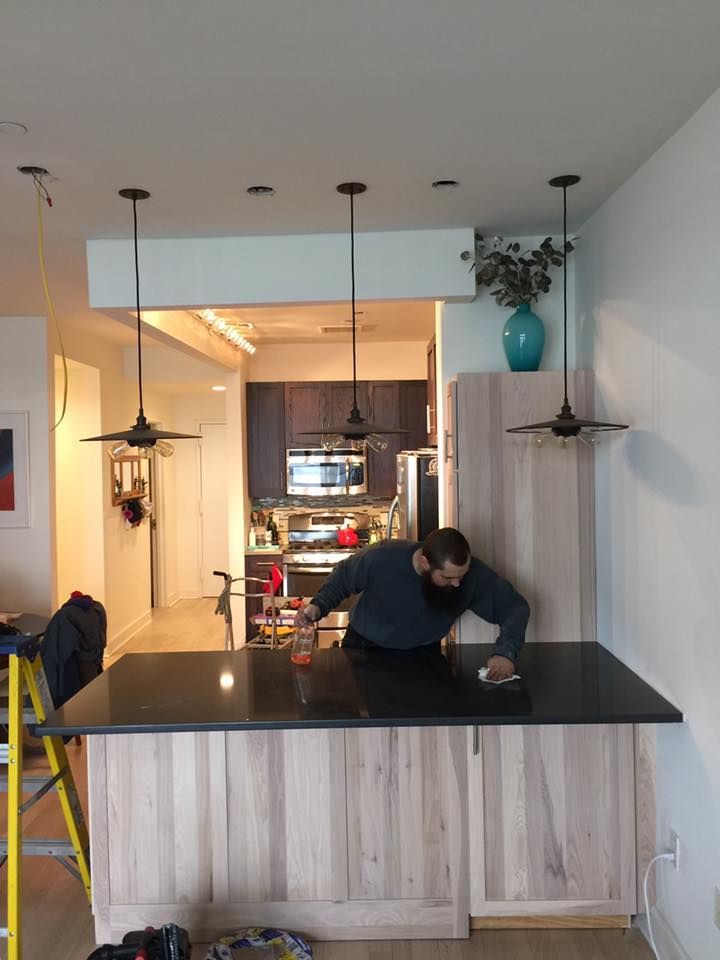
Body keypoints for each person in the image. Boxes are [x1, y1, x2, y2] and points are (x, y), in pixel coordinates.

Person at [296, 527, 529, 680]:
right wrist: (317, 606)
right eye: (447, 577)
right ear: (424, 562)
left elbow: (515, 607)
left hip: (422, 658)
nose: (458, 583)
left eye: (462, 575)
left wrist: (505, 653)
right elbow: (343, 577)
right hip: (363, 651)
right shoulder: (383, 557)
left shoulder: (469, 576)